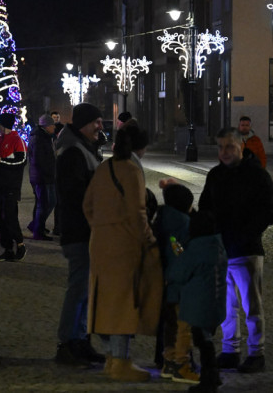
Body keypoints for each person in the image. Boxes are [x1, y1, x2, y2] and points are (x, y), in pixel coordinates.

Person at [82, 121, 162, 382]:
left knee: (104, 302)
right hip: (124, 245)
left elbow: (88, 205)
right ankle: (120, 361)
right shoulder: (131, 169)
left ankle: (110, 358)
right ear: (143, 147)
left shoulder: (105, 167)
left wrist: (101, 227)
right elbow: (137, 212)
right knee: (124, 304)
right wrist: (149, 240)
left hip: (100, 242)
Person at [198, 127, 273, 374]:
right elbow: (205, 207)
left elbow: (270, 213)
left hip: (246, 250)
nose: (224, 152)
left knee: (251, 305)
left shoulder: (257, 175)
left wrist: (245, 234)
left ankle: (257, 353)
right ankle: (231, 350)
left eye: (229, 147)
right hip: (221, 250)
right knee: (226, 305)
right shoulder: (215, 175)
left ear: (241, 147)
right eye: (221, 147)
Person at [54, 103, 106, 366]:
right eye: (96, 122)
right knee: (78, 288)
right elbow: (75, 194)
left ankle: (81, 339)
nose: (100, 126)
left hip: (88, 229)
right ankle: (68, 342)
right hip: (80, 230)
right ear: (84, 124)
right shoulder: (74, 152)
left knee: (86, 289)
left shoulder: (83, 148)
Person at [167, 210, 228, 393]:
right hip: (216, 303)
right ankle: (213, 376)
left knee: (203, 343)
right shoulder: (218, 246)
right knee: (207, 339)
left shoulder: (196, 248)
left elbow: (178, 273)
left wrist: (176, 251)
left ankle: (208, 380)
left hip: (198, 305)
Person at [154, 181, 199, 383]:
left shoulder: (164, 219)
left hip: (166, 283)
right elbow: (179, 251)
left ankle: (169, 361)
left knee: (171, 325)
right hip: (181, 283)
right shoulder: (182, 224)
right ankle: (182, 365)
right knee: (184, 327)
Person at [0, 113, 28, 261]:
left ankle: (20, 244)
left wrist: (1, 161)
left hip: (11, 185)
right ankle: (7, 249)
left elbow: (21, 162)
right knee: (0, 218)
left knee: (10, 216)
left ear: (3, 124)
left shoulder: (18, 141)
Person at [27, 113, 57, 240]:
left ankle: (36, 225)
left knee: (47, 202)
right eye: (52, 125)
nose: (54, 127)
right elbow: (40, 160)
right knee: (44, 203)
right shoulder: (40, 138)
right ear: (47, 126)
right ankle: (37, 230)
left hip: (43, 176)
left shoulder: (43, 137)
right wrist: (49, 172)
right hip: (42, 177)